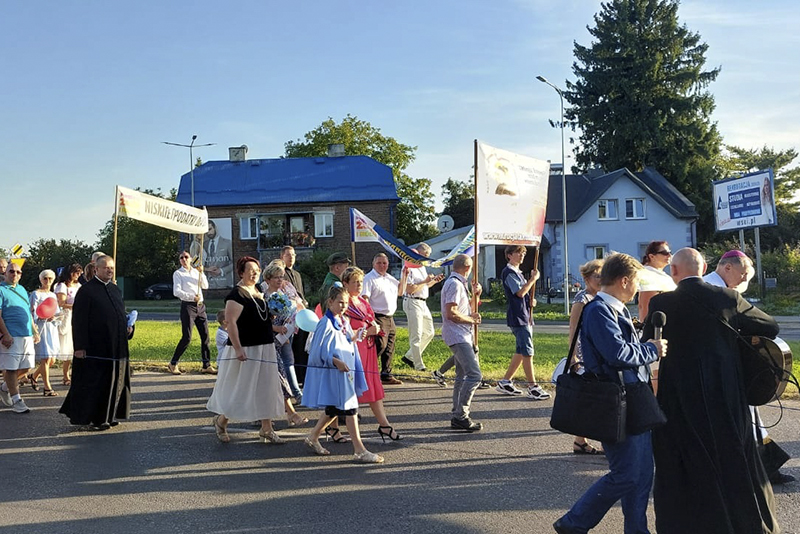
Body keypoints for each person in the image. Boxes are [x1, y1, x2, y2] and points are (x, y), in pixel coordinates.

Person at [642, 248, 781, 533]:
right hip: (724, 392)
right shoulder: (727, 298)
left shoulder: (661, 303)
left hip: (678, 395)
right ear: (704, 267)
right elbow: (770, 325)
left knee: (682, 459)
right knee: (731, 456)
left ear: (674, 272)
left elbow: (648, 343)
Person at [554, 252, 666, 534]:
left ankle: (637, 530)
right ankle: (573, 522)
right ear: (624, 280)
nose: (638, 288)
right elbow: (616, 354)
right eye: (636, 282)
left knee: (641, 476)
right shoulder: (599, 310)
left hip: (631, 396)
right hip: (614, 400)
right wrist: (652, 349)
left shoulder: (615, 309)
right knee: (627, 474)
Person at [703, 249, 794, 486]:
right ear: (727, 267)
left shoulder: (707, 288)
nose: (745, 281)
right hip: (720, 368)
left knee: (747, 420)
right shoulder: (721, 294)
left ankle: (759, 469)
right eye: (743, 275)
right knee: (740, 421)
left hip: (711, 366)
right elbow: (769, 326)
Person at [206, 256, 286, 445]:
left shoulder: (257, 290)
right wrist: (238, 348)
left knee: (266, 387)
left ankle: (267, 428)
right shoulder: (236, 294)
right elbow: (231, 323)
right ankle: (221, 420)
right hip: (246, 348)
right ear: (241, 272)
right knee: (242, 389)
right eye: (250, 270)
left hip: (265, 346)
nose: (254, 273)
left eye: (257, 270)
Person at [302, 284, 383, 463]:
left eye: (346, 303)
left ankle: (313, 437)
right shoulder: (325, 323)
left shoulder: (343, 320)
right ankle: (359, 450)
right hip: (336, 373)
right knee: (350, 408)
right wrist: (335, 361)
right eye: (340, 302)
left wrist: (358, 335)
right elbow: (317, 352)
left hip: (346, 371)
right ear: (330, 302)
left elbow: (347, 339)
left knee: (335, 408)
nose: (343, 306)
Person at [59, 256, 132, 430]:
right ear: (96, 269)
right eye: (106, 268)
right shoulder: (86, 291)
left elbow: (120, 314)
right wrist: (80, 347)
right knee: (97, 384)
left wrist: (128, 327)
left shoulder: (115, 290)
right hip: (95, 347)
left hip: (117, 345)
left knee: (117, 381)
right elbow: (79, 321)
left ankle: (112, 414)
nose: (110, 271)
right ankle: (97, 418)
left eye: (112, 268)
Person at [342, 266, 402, 442]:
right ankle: (330, 427)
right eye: (355, 282)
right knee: (347, 391)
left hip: (368, 349)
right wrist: (367, 331)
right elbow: (344, 329)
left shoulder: (363, 301)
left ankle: (384, 425)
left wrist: (374, 329)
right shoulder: (344, 302)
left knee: (373, 388)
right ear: (346, 283)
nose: (359, 285)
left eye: (361, 282)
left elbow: (370, 319)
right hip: (354, 350)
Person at [495, 245, 550, 400]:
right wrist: (533, 279)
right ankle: (532, 386)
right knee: (527, 351)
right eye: (518, 253)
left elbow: (523, 294)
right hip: (518, 317)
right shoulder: (509, 272)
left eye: (524, 253)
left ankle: (505, 381)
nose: (522, 255)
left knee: (520, 350)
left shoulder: (517, 273)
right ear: (509, 255)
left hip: (524, 314)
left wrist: (529, 301)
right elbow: (519, 292)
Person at [441, 254, 484, 432]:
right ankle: (461, 415)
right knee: (474, 375)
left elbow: (464, 310)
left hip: (462, 335)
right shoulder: (455, 285)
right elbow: (452, 313)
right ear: (467, 268)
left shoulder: (457, 284)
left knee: (461, 376)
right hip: (458, 335)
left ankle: (457, 414)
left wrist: (476, 295)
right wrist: (471, 321)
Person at [566, 259, 604, 455]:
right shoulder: (582, 298)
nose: (600, 279)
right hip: (584, 353)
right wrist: (573, 357)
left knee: (594, 397)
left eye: (602, 275)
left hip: (598, 352)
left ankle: (581, 440)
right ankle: (582, 441)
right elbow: (573, 329)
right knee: (590, 397)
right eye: (597, 275)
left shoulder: (602, 297)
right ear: (587, 278)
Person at [0, 262, 38, 414]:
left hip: (26, 334)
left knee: (28, 366)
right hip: (11, 334)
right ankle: (17, 400)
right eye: (11, 271)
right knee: (11, 368)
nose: (14, 274)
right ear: (6, 273)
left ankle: (5, 387)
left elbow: (27, 312)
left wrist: (35, 330)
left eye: (17, 272)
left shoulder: (22, 289)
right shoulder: (1, 290)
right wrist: (6, 334)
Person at [169, 251, 215, 375]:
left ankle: (206, 365)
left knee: (205, 336)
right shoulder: (178, 274)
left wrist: (202, 272)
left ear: (190, 259)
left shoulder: (196, 272)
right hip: (188, 306)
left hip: (200, 306)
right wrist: (190, 296)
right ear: (179, 260)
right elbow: (176, 292)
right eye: (181, 258)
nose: (184, 259)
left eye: (186, 257)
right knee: (187, 337)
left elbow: (205, 286)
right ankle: (173, 363)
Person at [398, 243, 442, 371]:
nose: (427, 259)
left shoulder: (422, 267)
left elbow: (423, 286)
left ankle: (409, 356)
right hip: (412, 302)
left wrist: (433, 281)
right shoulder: (409, 267)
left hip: (423, 302)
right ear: (417, 253)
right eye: (425, 255)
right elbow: (410, 289)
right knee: (416, 334)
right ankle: (418, 365)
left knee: (429, 332)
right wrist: (425, 281)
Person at [362, 252, 402, 385]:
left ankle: (386, 374)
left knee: (390, 346)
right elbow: (365, 298)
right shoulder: (369, 278)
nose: (382, 265)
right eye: (379, 263)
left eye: (384, 263)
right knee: (381, 344)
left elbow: (401, 291)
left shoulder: (390, 278)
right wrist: (369, 317)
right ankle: (366, 370)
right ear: (373, 264)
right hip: (377, 316)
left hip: (390, 316)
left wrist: (406, 274)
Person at [28, 269, 60, 396]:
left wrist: (55, 317)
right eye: (45, 278)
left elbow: (56, 311)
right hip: (41, 327)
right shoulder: (36, 294)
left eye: (50, 279)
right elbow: (31, 312)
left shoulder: (53, 295)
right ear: (41, 280)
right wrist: (37, 320)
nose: (48, 281)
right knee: (45, 358)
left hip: (51, 327)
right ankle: (47, 388)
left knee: (52, 359)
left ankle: (34, 376)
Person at [281, 246, 310, 385]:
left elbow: (300, 293)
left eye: (293, 255)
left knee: (302, 347)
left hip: (302, 315)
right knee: (293, 348)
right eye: (288, 255)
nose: (291, 257)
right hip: (290, 317)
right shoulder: (281, 275)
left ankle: (302, 376)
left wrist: (304, 301)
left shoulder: (297, 274)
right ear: (282, 256)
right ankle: (294, 378)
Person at [54, 263, 82, 386]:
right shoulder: (62, 286)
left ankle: (68, 374)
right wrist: (76, 306)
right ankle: (65, 375)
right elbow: (61, 303)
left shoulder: (78, 285)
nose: (78, 275)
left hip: (76, 316)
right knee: (64, 346)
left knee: (72, 347)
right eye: (76, 273)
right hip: (66, 316)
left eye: (80, 273)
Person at [637, 241, 676, 319]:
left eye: (669, 252)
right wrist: (646, 326)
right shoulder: (646, 274)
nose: (669, 255)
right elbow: (645, 305)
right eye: (664, 253)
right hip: (655, 323)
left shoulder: (662, 275)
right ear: (652, 256)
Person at [204, 220, 234, 289]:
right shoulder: (204, 245)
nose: (208, 233)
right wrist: (207, 269)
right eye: (206, 231)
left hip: (224, 283)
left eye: (210, 229)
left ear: (215, 228)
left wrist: (221, 270)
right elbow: (195, 264)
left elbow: (234, 263)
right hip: (209, 284)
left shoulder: (227, 243)